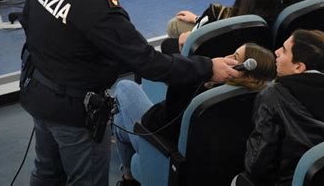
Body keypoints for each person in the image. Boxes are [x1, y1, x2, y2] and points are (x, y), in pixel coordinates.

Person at [18, 0, 240, 186]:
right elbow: (148, 62)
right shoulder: (100, 9)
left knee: (46, 172)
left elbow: (27, 20)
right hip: (73, 113)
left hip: (37, 92)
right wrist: (208, 68)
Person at [113, 43, 277, 185]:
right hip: (216, 171)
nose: (227, 57)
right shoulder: (266, 101)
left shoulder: (201, 97)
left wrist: (195, 79)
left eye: (234, 56)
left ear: (240, 70)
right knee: (120, 121)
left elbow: (151, 124)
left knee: (125, 88)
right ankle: (128, 177)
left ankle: (128, 177)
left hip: (165, 155)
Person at [232, 29, 324, 186]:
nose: (276, 53)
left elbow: (257, 166)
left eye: (284, 51)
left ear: (299, 67)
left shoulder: (272, 96)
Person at [162, 0, 282, 53]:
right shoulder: (272, 25)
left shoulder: (215, 13)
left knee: (168, 40)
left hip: (208, 61)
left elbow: (199, 39)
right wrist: (196, 18)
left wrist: (190, 37)